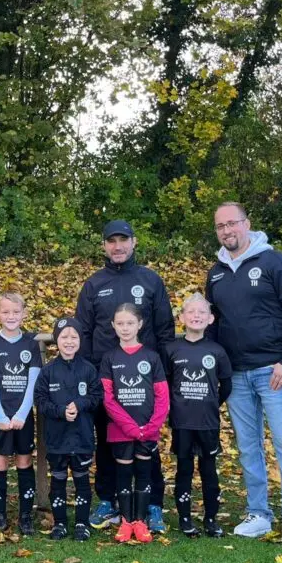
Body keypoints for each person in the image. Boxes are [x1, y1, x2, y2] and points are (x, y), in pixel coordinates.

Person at [205, 202, 282, 553]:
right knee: (248, 448)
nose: (227, 231)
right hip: (237, 376)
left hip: (274, 373)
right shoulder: (216, 273)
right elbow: (214, 322)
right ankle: (258, 513)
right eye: (221, 226)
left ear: (247, 224)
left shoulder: (274, 262)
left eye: (232, 224)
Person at [75, 220, 175, 533]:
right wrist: (90, 377)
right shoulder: (93, 284)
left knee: (147, 439)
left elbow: (165, 329)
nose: (117, 246)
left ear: (133, 242)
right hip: (107, 379)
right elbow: (84, 331)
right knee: (107, 442)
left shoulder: (150, 280)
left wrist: (165, 372)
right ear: (104, 245)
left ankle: (153, 504)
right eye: (111, 241)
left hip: (145, 380)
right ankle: (108, 501)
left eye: (123, 240)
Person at [99, 303, 169, 544]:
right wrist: (129, 426)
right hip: (120, 429)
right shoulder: (109, 358)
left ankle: (140, 520)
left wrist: (152, 426)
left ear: (140, 324)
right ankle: (126, 520)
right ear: (113, 326)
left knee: (144, 473)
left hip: (147, 430)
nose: (125, 328)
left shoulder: (151, 357)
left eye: (130, 323)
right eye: (120, 323)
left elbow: (162, 395)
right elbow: (107, 398)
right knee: (123, 472)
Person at [165, 293, 232, 538]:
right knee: (184, 469)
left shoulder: (217, 351)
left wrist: (212, 404)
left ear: (211, 319)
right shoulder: (172, 348)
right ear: (182, 317)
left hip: (208, 422)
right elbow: (166, 385)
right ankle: (184, 518)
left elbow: (225, 385)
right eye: (191, 312)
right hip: (182, 422)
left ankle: (211, 519)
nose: (196, 316)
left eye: (201, 312)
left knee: (209, 470)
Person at [34, 317, 102, 542]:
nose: (69, 341)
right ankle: (60, 523)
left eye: (74, 337)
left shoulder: (89, 369)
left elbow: (97, 397)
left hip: (81, 437)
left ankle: (82, 523)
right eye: (64, 337)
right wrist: (60, 410)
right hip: (57, 438)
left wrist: (80, 405)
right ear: (57, 340)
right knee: (59, 480)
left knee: (82, 479)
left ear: (80, 340)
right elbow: (41, 401)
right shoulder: (48, 371)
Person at [0, 292, 42, 535]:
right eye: (5, 312)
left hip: (22, 416)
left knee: (24, 461)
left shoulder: (31, 344)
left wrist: (22, 414)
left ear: (24, 314)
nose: (10, 316)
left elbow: (33, 384)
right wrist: (0, 416)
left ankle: (25, 515)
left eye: (16, 312)